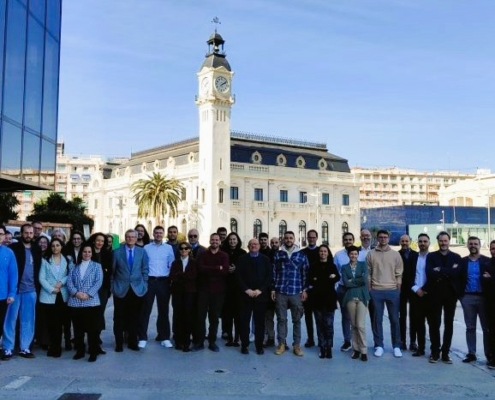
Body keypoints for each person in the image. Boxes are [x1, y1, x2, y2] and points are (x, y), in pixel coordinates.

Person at [3, 224, 42, 360]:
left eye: (31, 233)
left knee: (28, 320)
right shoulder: (13, 248)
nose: (29, 235)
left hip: (31, 290)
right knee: (10, 320)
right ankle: (7, 348)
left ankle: (25, 347)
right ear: (21, 234)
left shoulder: (37, 249)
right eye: (26, 233)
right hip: (15, 290)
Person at [424, 231, 462, 364]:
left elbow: (457, 273)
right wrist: (449, 271)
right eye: (441, 241)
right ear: (438, 241)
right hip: (435, 294)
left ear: (449, 241)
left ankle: (445, 353)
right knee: (435, 324)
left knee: (449, 324)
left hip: (451, 294)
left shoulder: (457, 257)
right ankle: (435, 352)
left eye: (445, 240)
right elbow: (429, 272)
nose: (443, 243)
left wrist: (440, 270)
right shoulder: (431, 256)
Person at [366, 229, 403, 358]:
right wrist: (370, 290)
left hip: (392, 290)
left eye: (385, 237)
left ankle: (396, 346)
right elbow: (368, 274)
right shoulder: (371, 254)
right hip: (376, 291)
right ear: (377, 239)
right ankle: (379, 345)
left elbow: (399, 273)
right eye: (380, 237)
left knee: (394, 320)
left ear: (388, 238)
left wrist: (397, 289)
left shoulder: (395, 255)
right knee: (377, 320)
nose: (383, 239)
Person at [272, 231, 309, 357]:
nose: (288, 240)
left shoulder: (301, 255)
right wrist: (273, 289)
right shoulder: (278, 254)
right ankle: (281, 343)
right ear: (283, 239)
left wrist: (304, 290)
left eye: (290, 238)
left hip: (295, 291)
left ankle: (296, 345)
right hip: (281, 290)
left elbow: (305, 273)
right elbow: (273, 272)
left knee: (297, 319)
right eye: (286, 238)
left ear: (294, 239)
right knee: (281, 319)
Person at [112, 229, 149, 352]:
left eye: (133, 237)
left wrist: (145, 285)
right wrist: (113, 286)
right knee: (119, 317)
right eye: (128, 237)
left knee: (134, 317)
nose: (130, 239)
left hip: (137, 289)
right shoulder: (117, 252)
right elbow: (112, 271)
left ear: (136, 238)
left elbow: (145, 269)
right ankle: (118, 343)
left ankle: (133, 342)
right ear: (125, 237)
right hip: (120, 288)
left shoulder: (142, 252)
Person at [138, 226, 175, 349]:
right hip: (150, 281)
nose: (158, 234)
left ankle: (164, 337)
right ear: (153, 234)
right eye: (156, 232)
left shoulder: (168, 248)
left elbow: (172, 264)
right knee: (145, 310)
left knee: (163, 311)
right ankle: (142, 337)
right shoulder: (146, 248)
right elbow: (143, 264)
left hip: (163, 282)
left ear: (163, 234)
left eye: (160, 233)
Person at [193, 233, 229, 352]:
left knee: (214, 318)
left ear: (220, 241)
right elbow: (200, 269)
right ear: (209, 240)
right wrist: (216, 268)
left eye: (216, 240)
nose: (214, 241)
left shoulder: (224, 255)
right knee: (200, 317)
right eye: (212, 239)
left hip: (218, 291)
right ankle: (200, 341)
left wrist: (211, 269)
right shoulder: (203, 254)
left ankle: (212, 342)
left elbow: (224, 271)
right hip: (203, 290)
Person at [67, 243, 103, 362]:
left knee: (92, 330)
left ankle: (93, 351)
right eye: (84, 252)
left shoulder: (97, 266)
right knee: (78, 329)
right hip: (75, 302)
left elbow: (98, 282)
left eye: (89, 252)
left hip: (91, 302)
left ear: (92, 253)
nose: (87, 254)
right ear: (81, 253)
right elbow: (69, 283)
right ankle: (80, 351)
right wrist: (76, 293)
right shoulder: (74, 267)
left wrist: (88, 294)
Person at [236, 239, 272, 355]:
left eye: (255, 244)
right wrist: (246, 289)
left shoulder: (265, 260)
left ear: (259, 246)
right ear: (248, 246)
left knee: (259, 323)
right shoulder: (242, 259)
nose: (253, 246)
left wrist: (259, 290)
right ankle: (244, 345)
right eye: (251, 244)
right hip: (245, 295)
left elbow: (268, 277)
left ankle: (259, 346)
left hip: (260, 296)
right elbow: (238, 276)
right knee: (244, 321)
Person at [459, 236, 491, 363]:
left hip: (483, 298)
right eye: (471, 243)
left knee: (486, 328)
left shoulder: (487, 261)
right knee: (470, 327)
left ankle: (489, 354)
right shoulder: (462, 262)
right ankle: (471, 353)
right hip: (467, 297)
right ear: (467, 245)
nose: (473, 245)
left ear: (479, 245)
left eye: (475, 243)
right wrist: (460, 296)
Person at [306, 244, 340, 359]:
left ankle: (329, 347)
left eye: (325, 251)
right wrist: (325, 279)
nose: (323, 253)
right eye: (321, 251)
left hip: (329, 299)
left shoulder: (332, 265)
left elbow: (337, 277)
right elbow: (311, 279)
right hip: (317, 299)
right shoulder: (313, 266)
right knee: (319, 324)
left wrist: (321, 279)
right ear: (318, 253)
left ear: (328, 253)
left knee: (329, 325)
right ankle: (322, 346)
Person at [38, 238, 70, 357]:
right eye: (53, 246)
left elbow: (69, 274)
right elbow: (42, 278)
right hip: (49, 296)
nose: (55, 248)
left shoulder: (67, 260)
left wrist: (61, 282)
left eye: (57, 245)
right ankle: (53, 346)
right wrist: (52, 289)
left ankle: (58, 347)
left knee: (60, 323)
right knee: (51, 323)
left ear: (61, 246)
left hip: (62, 295)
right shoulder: (45, 260)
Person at [342, 245, 370, 362]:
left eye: (355, 254)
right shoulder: (344, 267)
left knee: (360, 325)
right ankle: (356, 349)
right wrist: (355, 281)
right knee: (353, 325)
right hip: (350, 298)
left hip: (362, 297)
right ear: (348, 255)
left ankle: (364, 350)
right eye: (351, 254)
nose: (353, 255)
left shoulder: (363, 265)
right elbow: (345, 283)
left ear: (358, 255)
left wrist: (351, 281)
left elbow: (364, 280)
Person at [170, 242, 198, 352]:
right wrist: (184, 275)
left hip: (190, 292)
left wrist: (180, 275)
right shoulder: (175, 263)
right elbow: (172, 276)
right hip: (177, 292)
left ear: (189, 250)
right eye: (181, 248)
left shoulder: (194, 263)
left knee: (188, 316)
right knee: (178, 315)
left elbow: (193, 276)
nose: (183, 250)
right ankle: (178, 340)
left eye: (186, 248)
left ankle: (187, 341)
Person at [220, 232, 247, 347]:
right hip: (226, 287)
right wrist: (227, 269)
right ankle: (229, 337)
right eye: (230, 239)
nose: (232, 241)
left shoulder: (243, 253)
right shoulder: (223, 252)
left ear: (238, 240)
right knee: (227, 314)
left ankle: (237, 338)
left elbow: (246, 269)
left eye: (234, 239)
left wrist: (236, 269)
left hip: (238, 288)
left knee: (238, 314)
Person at [89, 232, 113, 354]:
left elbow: (109, 271)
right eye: (98, 240)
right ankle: (90, 342)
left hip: (102, 289)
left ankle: (96, 341)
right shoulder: (88, 252)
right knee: (90, 315)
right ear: (93, 241)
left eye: (102, 241)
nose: (100, 243)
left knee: (99, 314)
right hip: (88, 289)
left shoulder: (106, 254)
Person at [333, 232, 356, 352]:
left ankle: (357, 341)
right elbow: (334, 272)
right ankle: (347, 340)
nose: (348, 241)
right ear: (343, 241)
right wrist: (336, 287)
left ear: (353, 240)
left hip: (356, 289)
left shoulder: (360, 254)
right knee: (346, 316)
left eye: (350, 239)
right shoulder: (338, 255)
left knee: (357, 317)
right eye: (346, 240)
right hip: (343, 289)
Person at [410, 233, 430, 357]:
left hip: (430, 295)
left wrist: (425, 289)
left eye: (425, 241)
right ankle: (421, 348)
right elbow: (407, 276)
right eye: (420, 241)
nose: (422, 243)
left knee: (433, 324)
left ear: (429, 243)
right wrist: (416, 289)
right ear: (417, 243)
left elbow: (435, 276)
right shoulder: (413, 257)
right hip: (416, 294)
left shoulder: (433, 257)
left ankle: (434, 349)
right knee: (418, 323)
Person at [399, 234, 419, 351]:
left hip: (413, 288)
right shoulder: (396, 255)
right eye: (403, 241)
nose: (405, 243)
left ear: (410, 241)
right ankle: (402, 341)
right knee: (402, 316)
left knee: (414, 315)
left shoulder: (416, 255)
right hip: (401, 289)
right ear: (400, 242)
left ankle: (413, 341)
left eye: (407, 241)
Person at [0, 226, 18, 353]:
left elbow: (13, 274)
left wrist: (12, 293)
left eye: (0, 234)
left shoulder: (8, 252)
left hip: (2, 295)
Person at [263, 236, 280, 348]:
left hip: (281, 290)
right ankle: (270, 338)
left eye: (276, 242)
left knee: (281, 317)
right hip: (269, 290)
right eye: (272, 242)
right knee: (268, 316)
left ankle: (282, 340)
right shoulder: (267, 256)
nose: (274, 244)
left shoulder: (283, 255)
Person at [484, 240, 495, 369]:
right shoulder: (487, 264)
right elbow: (484, 282)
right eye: (492, 249)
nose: (494, 251)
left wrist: (491, 278)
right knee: (492, 331)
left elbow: (489, 280)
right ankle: (492, 358)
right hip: (491, 303)